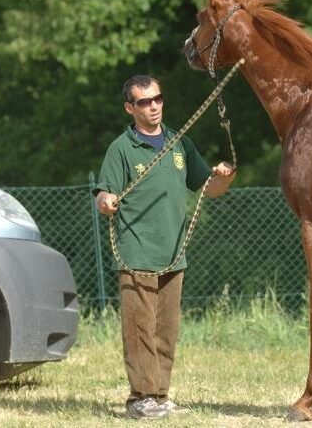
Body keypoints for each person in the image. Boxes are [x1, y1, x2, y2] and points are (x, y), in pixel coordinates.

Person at [92, 75, 235, 419]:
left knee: (166, 330)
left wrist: (225, 177)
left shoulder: (179, 142)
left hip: (174, 254)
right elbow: (103, 193)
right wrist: (107, 200)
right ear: (130, 108)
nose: (153, 105)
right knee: (140, 329)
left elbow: (208, 188)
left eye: (157, 98)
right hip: (136, 251)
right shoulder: (122, 148)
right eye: (144, 101)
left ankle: (160, 395)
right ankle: (140, 399)